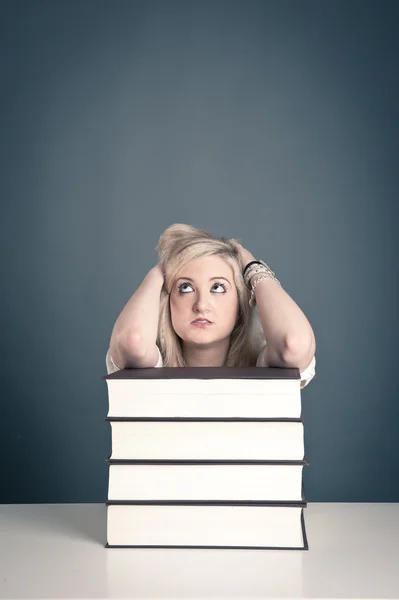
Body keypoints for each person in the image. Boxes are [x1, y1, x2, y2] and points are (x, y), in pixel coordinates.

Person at [106, 224, 316, 388]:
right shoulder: (151, 360)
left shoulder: (260, 364)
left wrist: (253, 268)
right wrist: (160, 269)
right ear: (168, 299)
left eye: (217, 287)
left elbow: (293, 344)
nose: (201, 305)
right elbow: (132, 341)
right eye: (186, 287)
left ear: (240, 303)